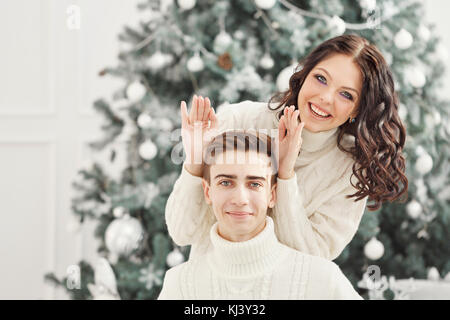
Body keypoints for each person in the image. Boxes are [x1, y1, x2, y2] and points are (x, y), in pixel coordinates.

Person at [166, 34, 408, 261]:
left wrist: (285, 175)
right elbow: (182, 232)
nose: (325, 97)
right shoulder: (238, 120)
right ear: (304, 75)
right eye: (321, 79)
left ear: (357, 109)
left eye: (346, 95)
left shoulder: (349, 169)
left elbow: (312, 259)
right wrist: (196, 160)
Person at [158, 130, 362, 299]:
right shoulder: (180, 284)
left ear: (272, 195)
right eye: (226, 183)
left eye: (254, 184)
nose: (240, 199)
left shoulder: (322, 279)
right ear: (208, 191)